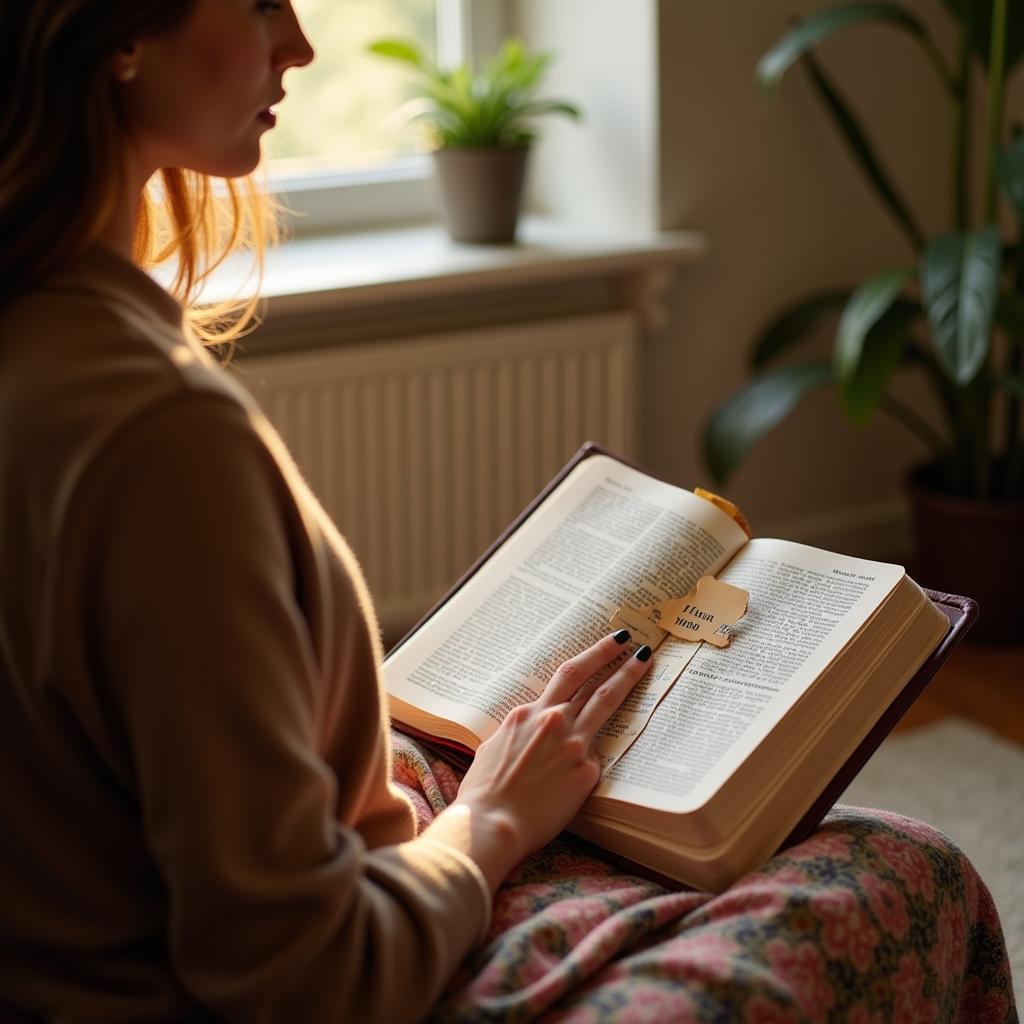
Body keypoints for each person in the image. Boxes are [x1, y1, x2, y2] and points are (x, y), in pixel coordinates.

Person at [0, 3, 1017, 1023]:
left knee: (473, 740)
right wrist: (487, 822)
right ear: (118, 30)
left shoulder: (59, 345)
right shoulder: (157, 437)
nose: (299, 44)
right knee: (897, 869)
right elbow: (295, 975)